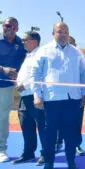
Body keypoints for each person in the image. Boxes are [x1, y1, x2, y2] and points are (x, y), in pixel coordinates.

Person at [31, 22, 85, 169]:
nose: (63, 35)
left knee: (70, 132)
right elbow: (35, 74)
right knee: (50, 133)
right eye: (60, 32)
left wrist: (84, 94)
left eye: (66, 32)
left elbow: (83, 74)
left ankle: (71, 160)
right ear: (53, 33)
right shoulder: (44, 51)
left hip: (72, 99)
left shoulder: (77, 52)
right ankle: (49, 162)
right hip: (52, 99)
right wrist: (37, 95)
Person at [12, 31, 46, 166]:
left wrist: (24, 86)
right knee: (26, 126)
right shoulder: (28, 55)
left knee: (43, 127)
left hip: (35, 96)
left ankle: (45, 154)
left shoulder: (41, 55)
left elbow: (39, 76)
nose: (23, 42)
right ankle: (28, 153)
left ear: (34, 41)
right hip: (24, 98)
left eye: (26, 39)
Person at [0, 17, 26, 163]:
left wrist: (20, 80)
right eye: (5, 25)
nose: (7, 28)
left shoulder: (21, 44)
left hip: (6, 87)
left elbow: (26, 63)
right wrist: (2, 69)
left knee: (2, 117)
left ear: (16, 28)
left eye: (11, 26)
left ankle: (1, 149)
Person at [55, 35, 85, 156]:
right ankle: (58, 142)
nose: (69, 45)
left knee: (76, 122)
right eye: (68, 43)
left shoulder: (79, 56)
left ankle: (77, 144)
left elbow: (84, 76)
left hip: (76, 96)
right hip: (59, 96)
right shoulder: (56, 56)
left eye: (72, 43)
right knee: (59, 121)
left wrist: (84, 94)